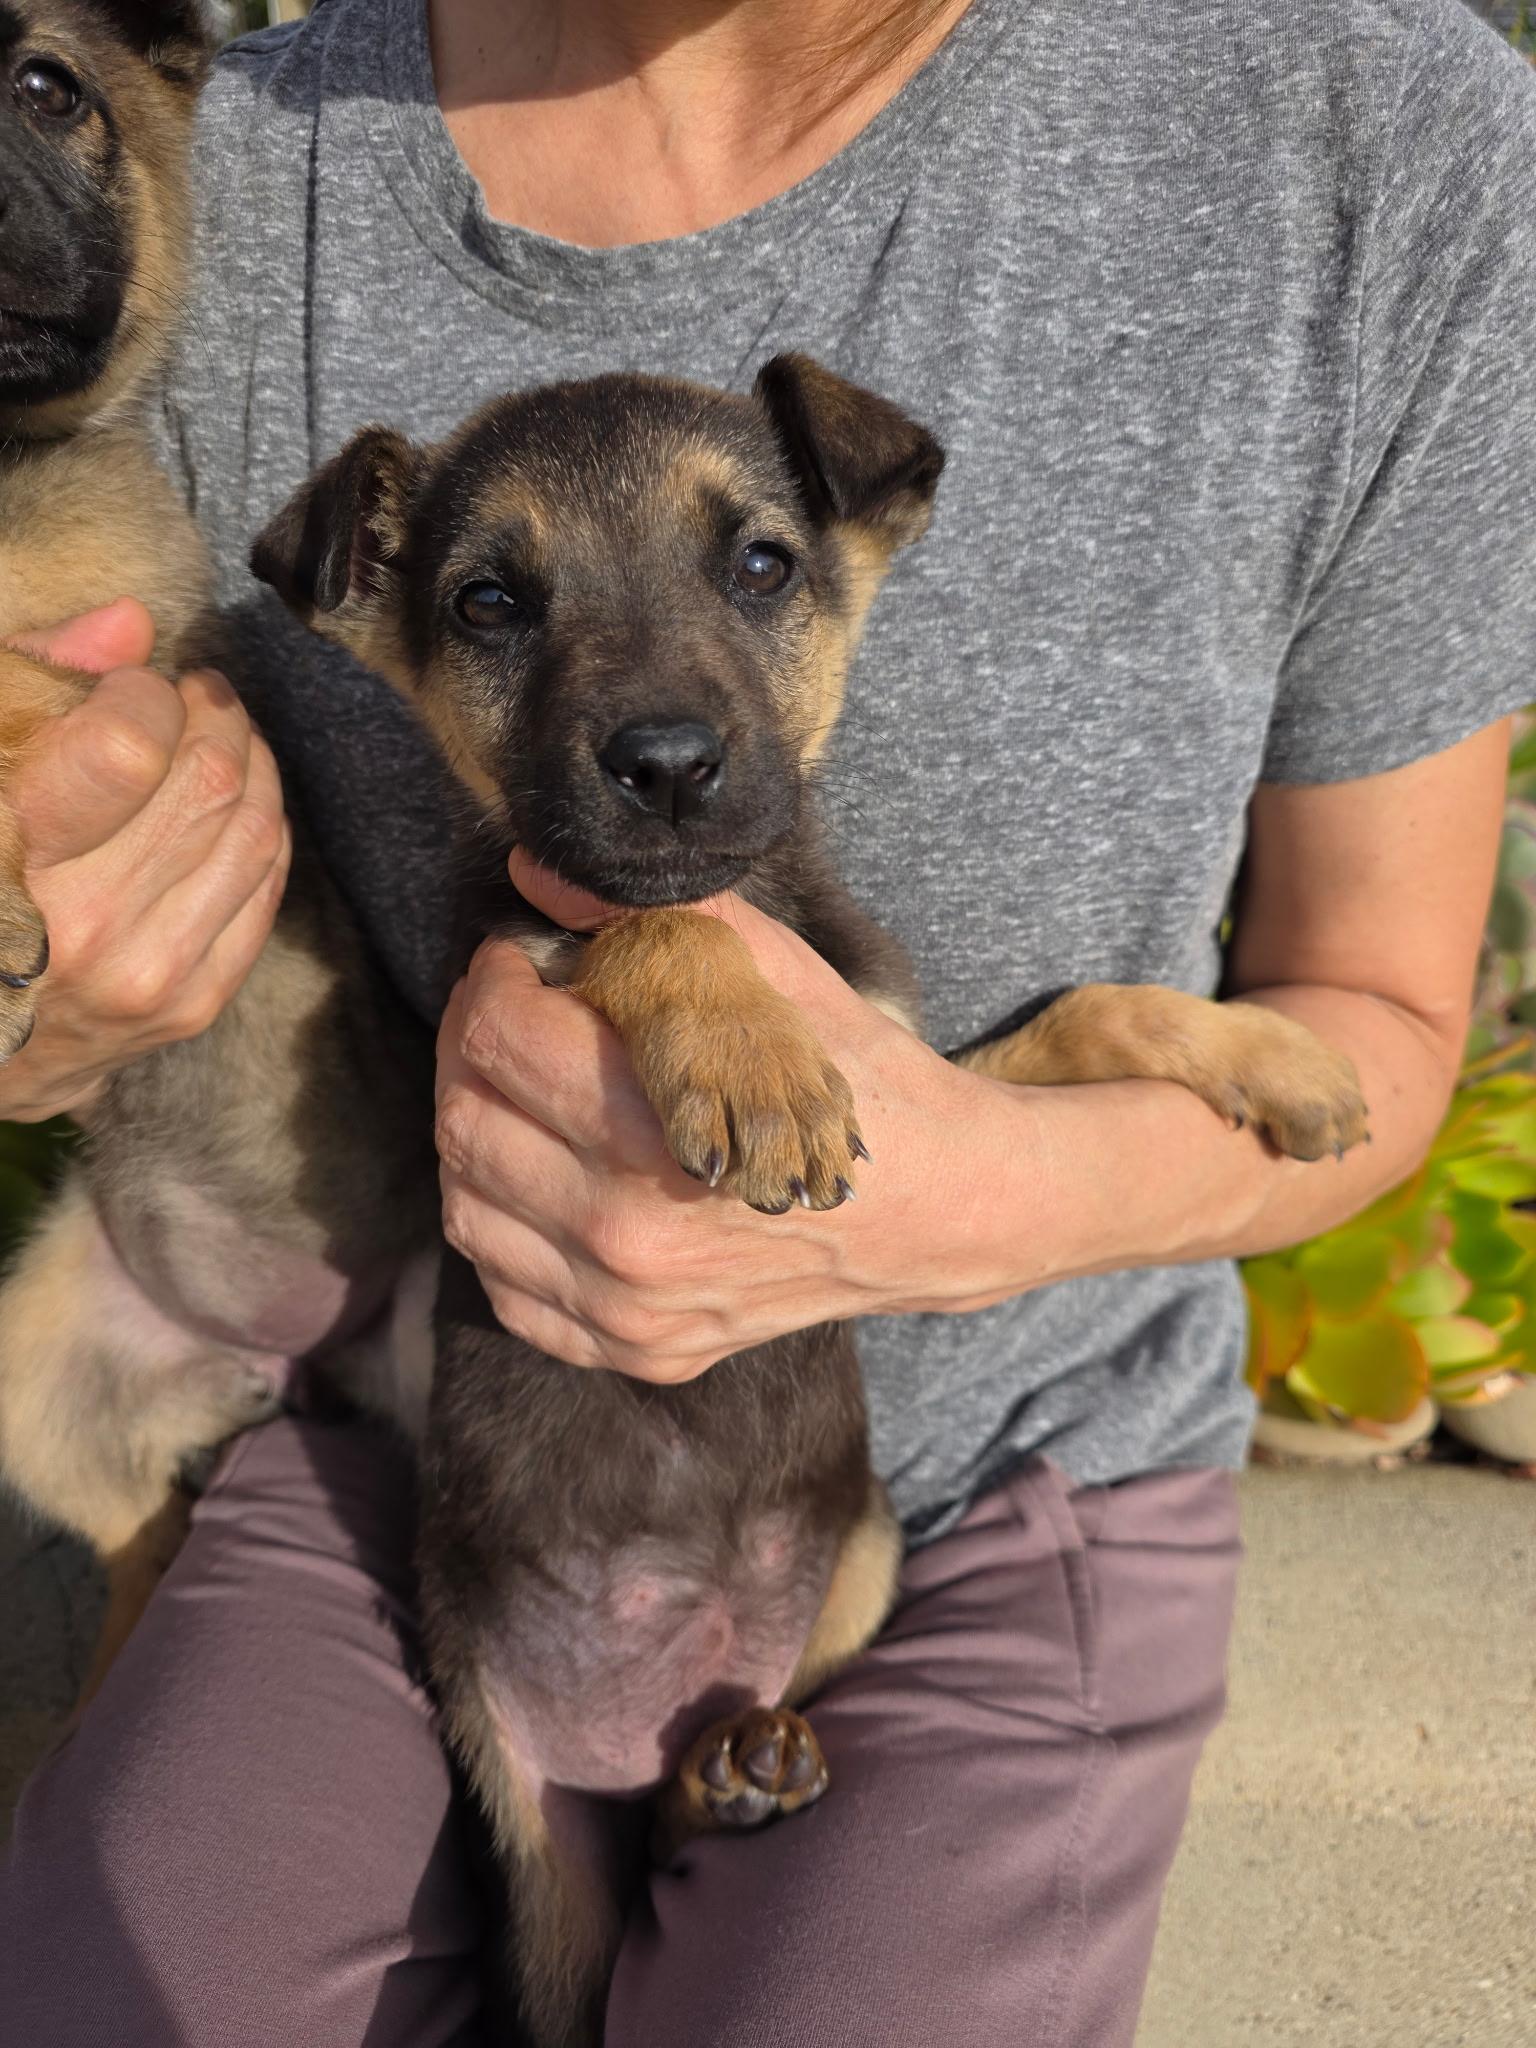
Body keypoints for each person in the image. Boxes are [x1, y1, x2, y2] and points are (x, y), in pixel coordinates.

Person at [2, 0, 1532, 2041]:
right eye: (489, 608)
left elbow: (1379, 1011)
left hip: (958, 1484)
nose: (650, 705)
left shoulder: (1374, 134)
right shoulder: (196, 153)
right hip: (418, 1435)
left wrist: (980, 1188)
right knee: (134, 1974)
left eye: (754, 568)